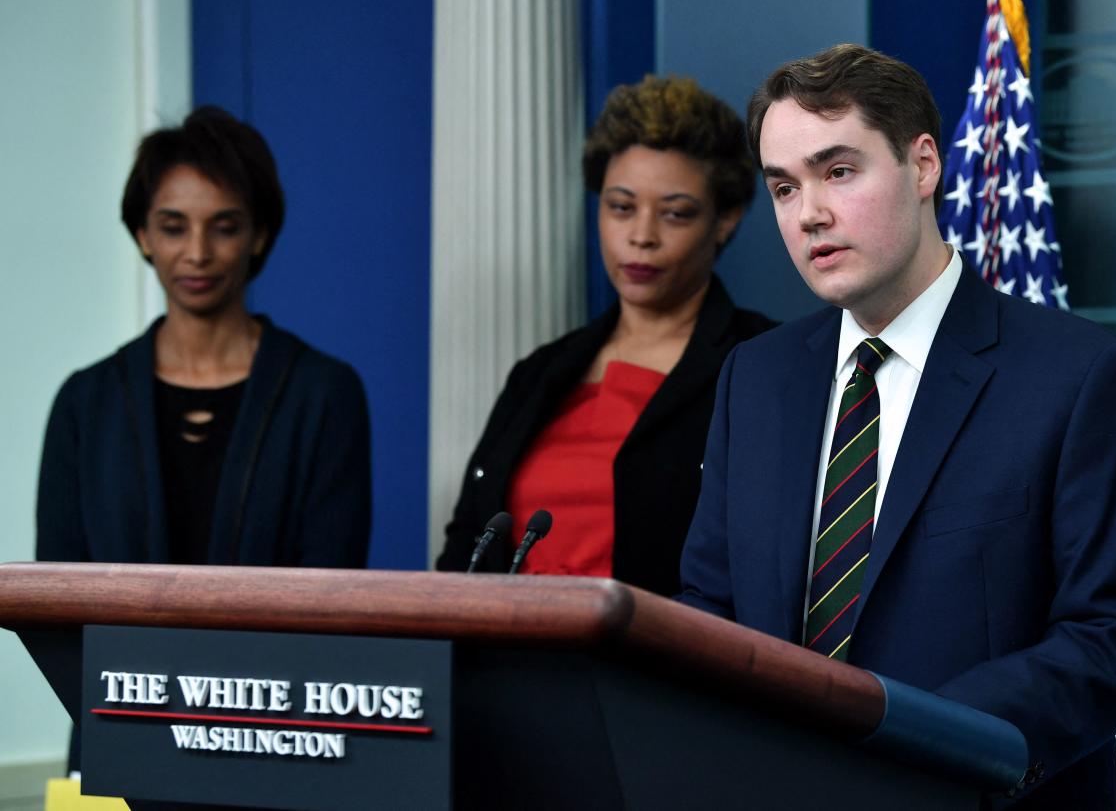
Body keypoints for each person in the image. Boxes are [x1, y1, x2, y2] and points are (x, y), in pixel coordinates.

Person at [678, 44, 1116, 808]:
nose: (809, 212)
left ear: (922, 167)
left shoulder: (1081, 378)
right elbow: (708, 611)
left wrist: (911, 742)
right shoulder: (756, 378)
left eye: (838, 171)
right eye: (784, 187)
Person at [437, 76, 775, 595]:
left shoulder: (764, 364)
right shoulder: (540, 372)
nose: (641, 235)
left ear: (725, 219)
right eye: (621, 206)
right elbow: (465, 549)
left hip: (662, 668)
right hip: (507, 664)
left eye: (675, 213)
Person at [37, 106, 371, 570]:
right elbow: (56, 600)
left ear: (259, 235)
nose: (197, 253)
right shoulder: (86, 403)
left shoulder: (324, 395)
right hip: (115, 649)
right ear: (143, 236)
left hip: (279, 647)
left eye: (225, 228)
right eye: (174, 227)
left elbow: (333, 591)